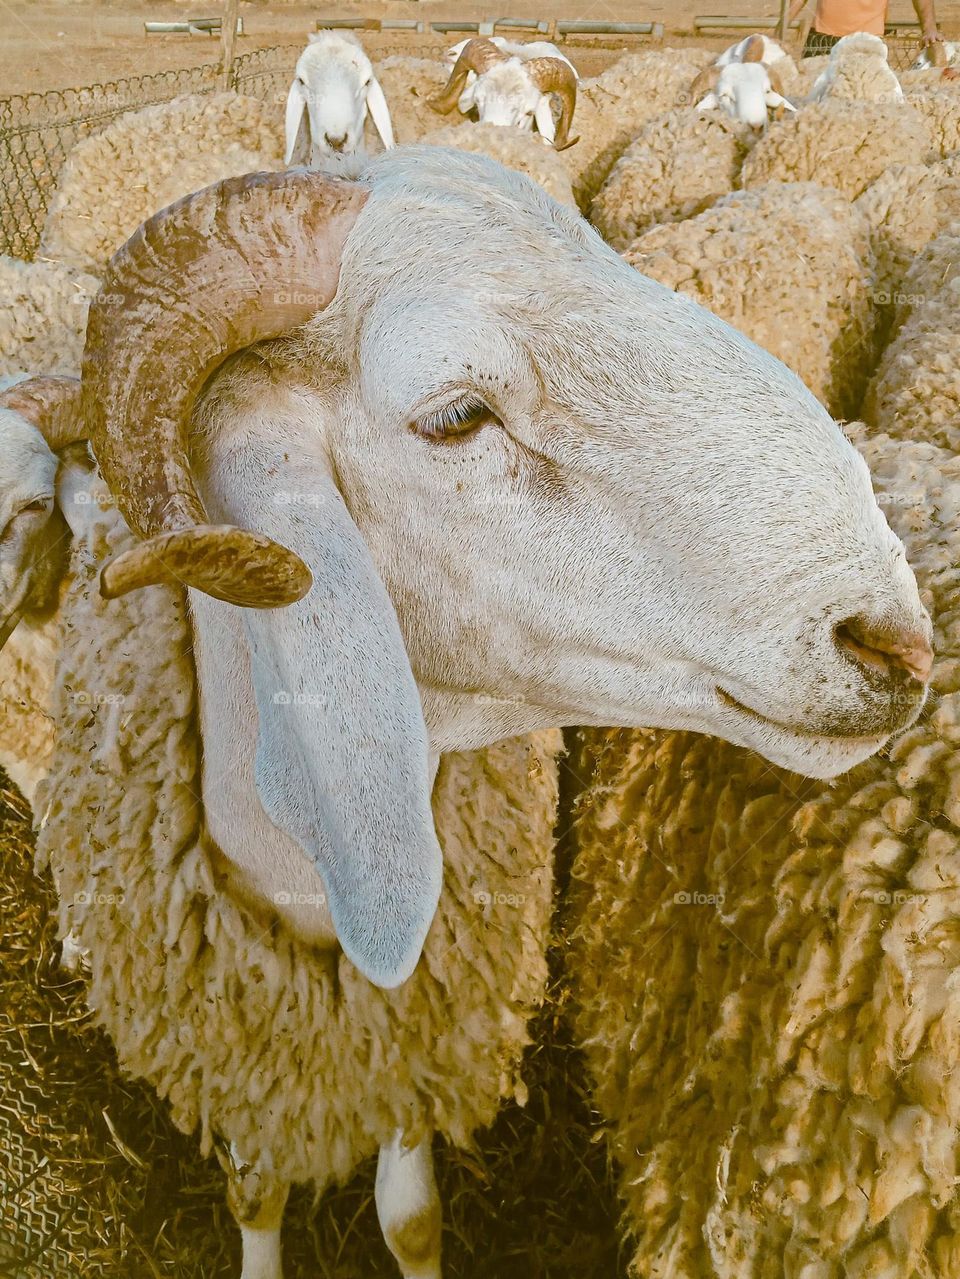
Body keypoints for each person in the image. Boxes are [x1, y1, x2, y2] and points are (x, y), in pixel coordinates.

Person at [788, 0, 944, 58]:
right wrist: (780, 29)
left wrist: (929, 28)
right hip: (821, 41)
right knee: (813, 107)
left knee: (863, 109)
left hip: (866, 44)